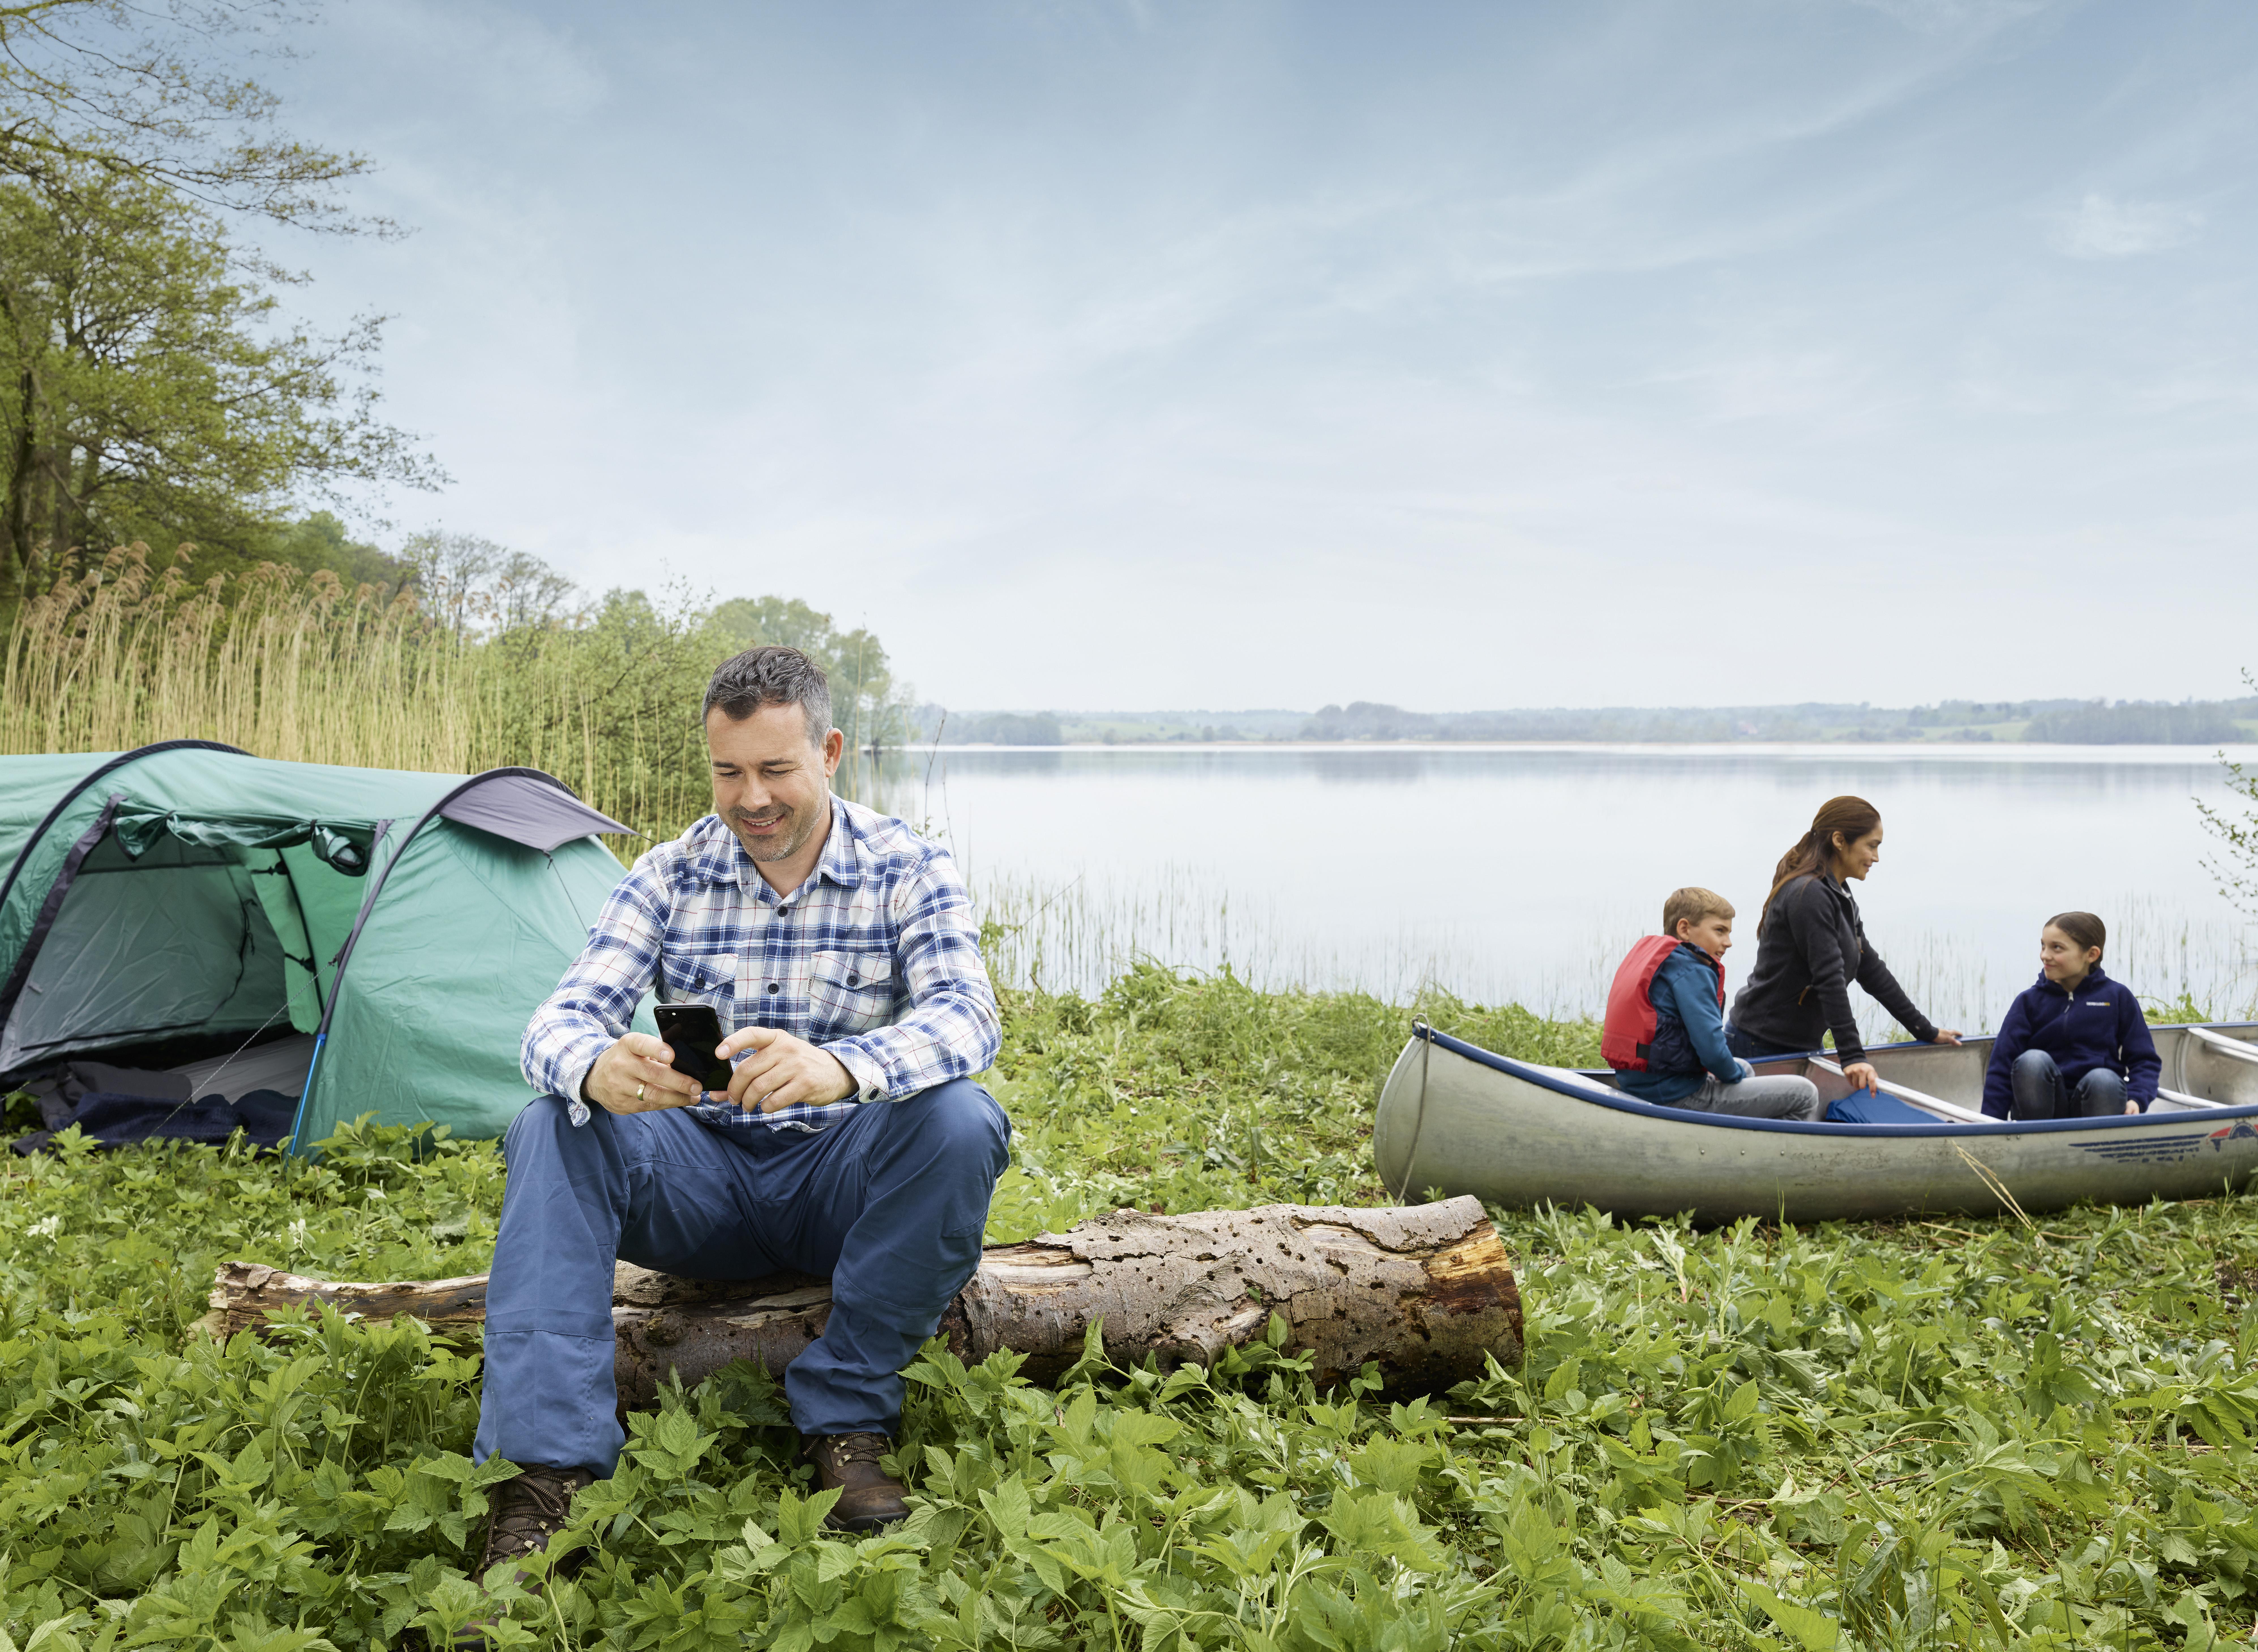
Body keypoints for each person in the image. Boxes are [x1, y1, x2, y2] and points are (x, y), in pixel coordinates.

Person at [464, 645, 1010, 1621]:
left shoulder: (908, 865)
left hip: (843, 1182)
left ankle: (845, 1416)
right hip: (700, 1180)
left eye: (774, 769)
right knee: (552, 1119)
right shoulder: (667, 873)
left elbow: (969, 1017)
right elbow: (553, 1021)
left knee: (962, 1115)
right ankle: (544, 1474)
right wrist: (595, 1064)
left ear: (829, 749)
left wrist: (843, 1065)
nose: (750, 797)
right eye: (728, 772)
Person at [1726, 795, 1962, 1093]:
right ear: (1839, 840)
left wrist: (1924, 1030)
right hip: (1761, 1044)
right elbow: (1829, 978)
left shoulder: (1838, 893)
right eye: (1871, 846)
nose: (1875, 858)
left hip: (1796, 1044)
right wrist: (1852, 1056)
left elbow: (1870, 969)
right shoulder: (1809, 894)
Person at [1605, 887, 1823, 1120]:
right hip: (1677, 1096)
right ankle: (1766, 1153)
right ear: (1685, 929)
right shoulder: (1693, 972)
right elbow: (1713, 1054)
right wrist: (1730, 1073)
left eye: (1728, 933)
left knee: (1744, 1068)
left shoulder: (1665, 964)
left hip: (1642, 1084)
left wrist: (1733, 1072)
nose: (1728, 943)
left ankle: (1737, 1133)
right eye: (1720, 931)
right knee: (1805, 1094)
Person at [1981, 911, 2158, 1119]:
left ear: (2091, 955)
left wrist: (2137, 1098)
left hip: (2099, 1103)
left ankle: (2098, 1142)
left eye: (2057, 948)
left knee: (2105, 1079)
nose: (2045, 955)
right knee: (2032, 1061)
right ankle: (2037, 1137)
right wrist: (1989, 1124)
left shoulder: (2117, 998)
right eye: (2043, 946)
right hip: (2039, 1111)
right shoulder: (2028, 1002)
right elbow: (2001, 1067)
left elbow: (2145, 1061)